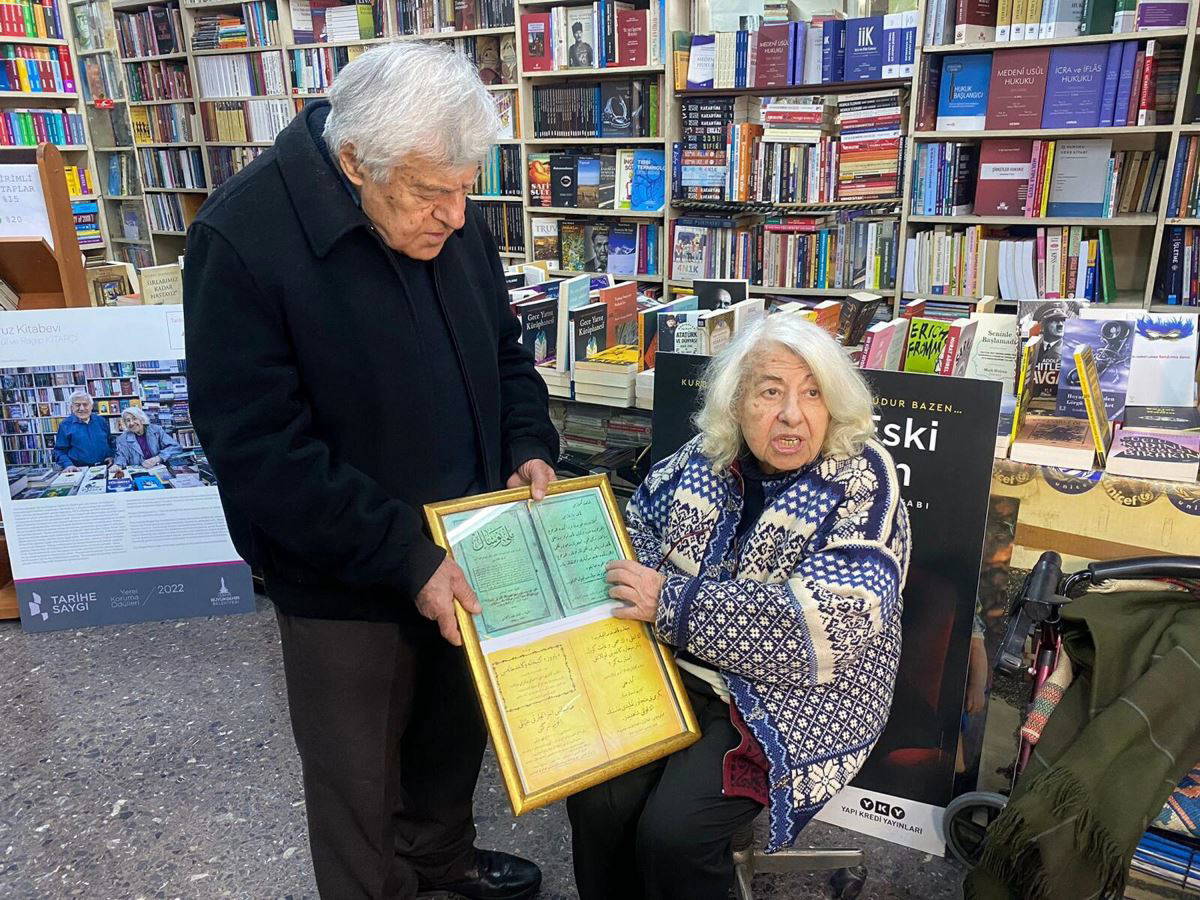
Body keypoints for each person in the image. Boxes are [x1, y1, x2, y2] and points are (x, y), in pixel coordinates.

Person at [182, 42, 558, 900]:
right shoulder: (241, 237)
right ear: (354, 161)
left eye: (466, 189)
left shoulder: (445, 203)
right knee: (356, 784)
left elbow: (506, 355)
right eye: (430, 194)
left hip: (468, 542)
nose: (455, 216)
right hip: (345, 578)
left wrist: (527, 445)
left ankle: (440, 860)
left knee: (449, 742)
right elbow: (259, 451)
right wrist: (403, 554)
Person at [569, 314, 911, 900]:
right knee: (596, 797)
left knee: (674, 834)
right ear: (735, 402)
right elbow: (636, 531)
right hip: (674, 669)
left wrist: (667, 600)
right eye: (770, 392)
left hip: (799, 700)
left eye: (813, 393)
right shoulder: (704, 458)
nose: (793, 415)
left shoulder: (863, 480)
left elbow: (817, 628)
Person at [53, 391, 113, 471]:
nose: (81, 408)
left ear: (91, 406)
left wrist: (111, 456)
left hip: (105, 466)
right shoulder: (65, 425)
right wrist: (68, 465)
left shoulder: (101, 421)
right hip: (78, 469)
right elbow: (59, 450)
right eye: (77, 405)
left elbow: (110, 442)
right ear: (71, 407)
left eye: (85, 404)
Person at [112, 407, 182, 468]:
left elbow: (175, 447)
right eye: (128, 420)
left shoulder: (156, 430)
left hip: (159, 468)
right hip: (139, 473)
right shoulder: (122, 439)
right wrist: (117, 465)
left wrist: (158, 458)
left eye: (134, 418)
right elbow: (121, 457)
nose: (131, 423)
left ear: (142, 419)